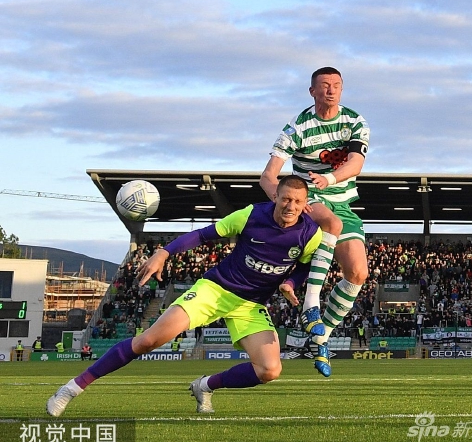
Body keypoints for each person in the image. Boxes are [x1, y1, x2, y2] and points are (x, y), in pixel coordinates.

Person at [46, 175, 323, 417]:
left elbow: (307, 266)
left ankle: (204, 385)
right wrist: (164, 252)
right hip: (215, 290)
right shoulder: (250, 215)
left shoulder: (309, 233)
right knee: (148, 341)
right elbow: (203, 235)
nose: (291, 207)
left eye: (298, 202)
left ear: (305, 203)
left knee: (269, 370)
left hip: (251, 306)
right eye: (286, 199)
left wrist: (290, 282)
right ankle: (71, 388)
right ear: (275, 196)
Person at [261, 66, 370, 378]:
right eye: (324, 85)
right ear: (312, 91)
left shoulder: (354, 121)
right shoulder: (298, 126)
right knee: (330, 223)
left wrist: (330, 178)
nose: (331, 90)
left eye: (336, 85)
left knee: (358, 273)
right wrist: (284, 203)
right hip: (310, 200)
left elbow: (356, 163)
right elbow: (268, 175)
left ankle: (322, 336)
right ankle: (311, 305)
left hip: (342, 199)